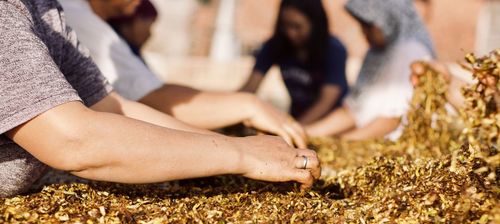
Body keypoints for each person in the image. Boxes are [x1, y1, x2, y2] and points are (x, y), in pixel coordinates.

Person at [0, 0, 320, 197]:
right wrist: (239, 154)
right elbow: (73, 141)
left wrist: (244, 155)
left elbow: (114, 106)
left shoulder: (44, 8)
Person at [58, 0, 308, 149]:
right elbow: (152, 98)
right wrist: (246, 110)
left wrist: (228, 147)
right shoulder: (75, 14)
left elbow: (133, 100)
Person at [305, 0, 436, 140]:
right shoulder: (377, 52)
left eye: (368, 26)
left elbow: (392, 120)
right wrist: (306, 133)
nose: (364, 33)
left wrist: (341, 143)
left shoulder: (410, 52)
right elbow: (353, 110)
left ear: (386, 19)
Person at [240, 0, 349, 125]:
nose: (290, 33)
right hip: (297, 119)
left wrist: (293, 127)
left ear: (315, 23)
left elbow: (327, 100)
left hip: (329, 125)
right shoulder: (275, 45)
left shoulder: (334, 49)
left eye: (297, 26)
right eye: (285, 25)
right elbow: (249, 89)